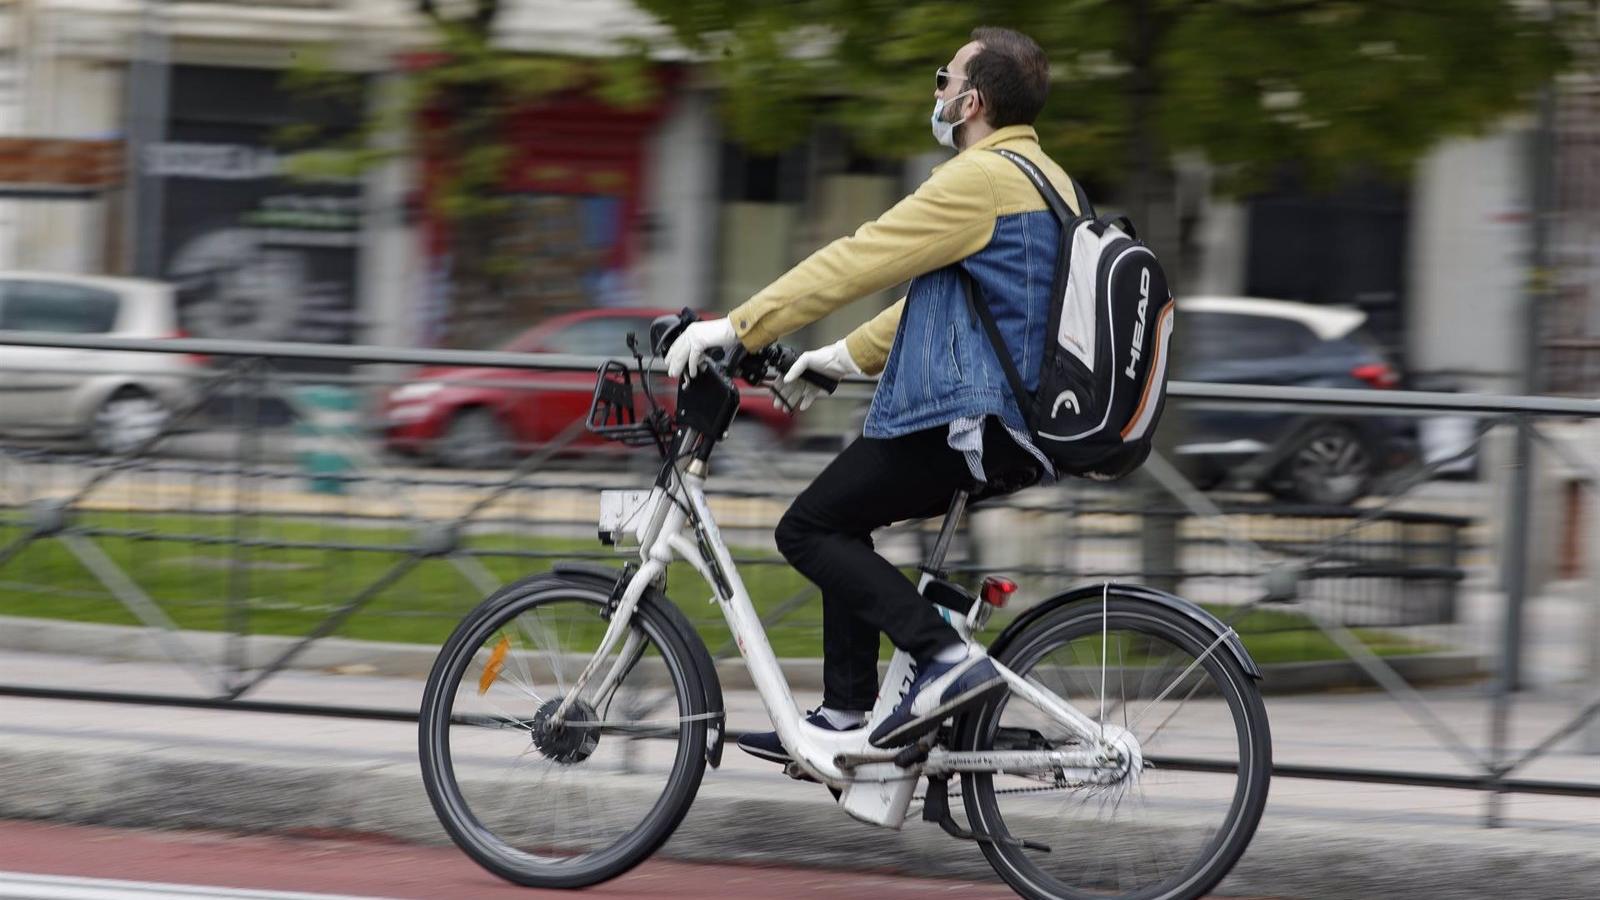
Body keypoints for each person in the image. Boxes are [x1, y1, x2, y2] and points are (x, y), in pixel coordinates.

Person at [665, 26, 1080, 754]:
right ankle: (845, 716)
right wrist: (835, 358)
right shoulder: (1048, 178)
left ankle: (943, 658)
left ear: (972, 101)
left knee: (807, 528)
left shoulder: (980, 179)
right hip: (1019, 421)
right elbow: (949, 304)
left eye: (944, 80)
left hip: (977, 419)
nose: (938, 92)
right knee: (842, 520)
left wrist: (735, 326)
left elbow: (863, 257)